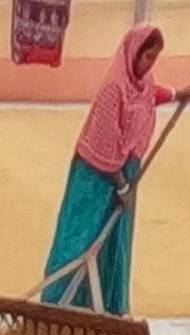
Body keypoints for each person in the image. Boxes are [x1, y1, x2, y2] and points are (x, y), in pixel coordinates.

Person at [41, 25, 168, 313]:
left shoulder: (143, 82)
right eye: (146, 57)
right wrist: (121, 184)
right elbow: (106, 143)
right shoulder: (114, 88)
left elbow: (150, 95)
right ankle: (59, 305)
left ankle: (108, 309)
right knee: (80, 238)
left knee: (113, 242)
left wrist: (176, 94)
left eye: (154, 59)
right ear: (133, 53)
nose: (149, 65)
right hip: (95, 176)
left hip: (125, 174)